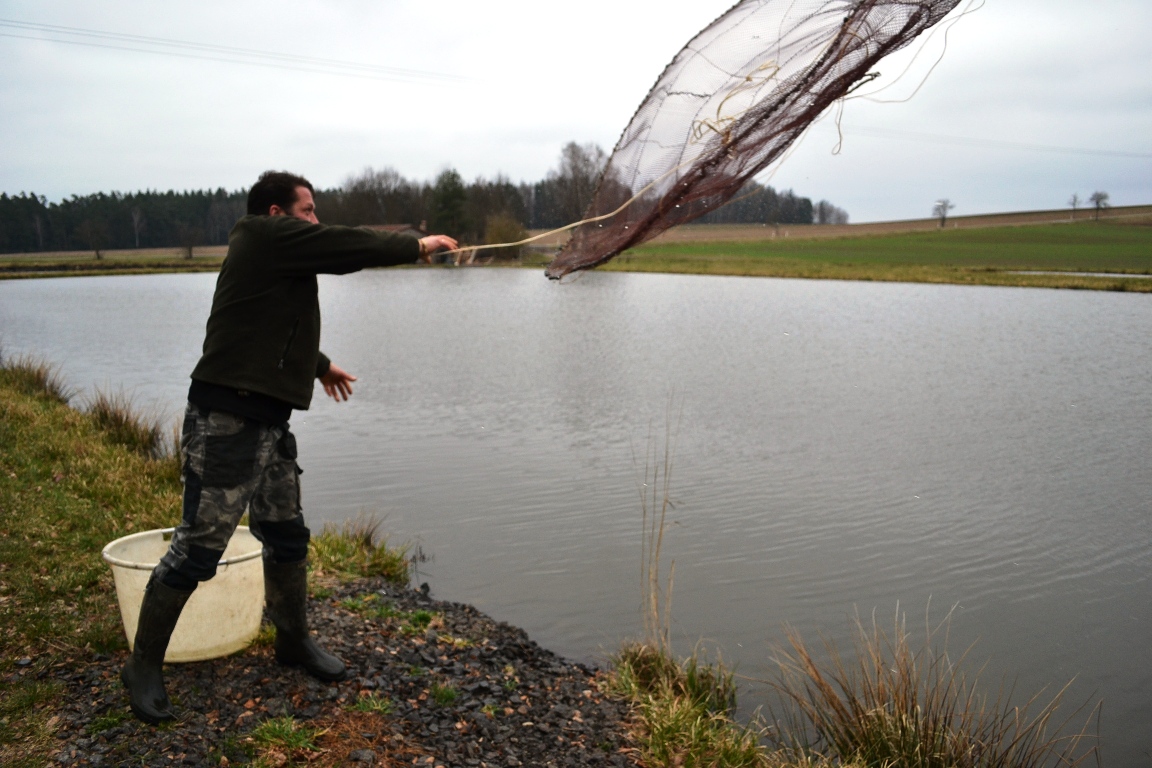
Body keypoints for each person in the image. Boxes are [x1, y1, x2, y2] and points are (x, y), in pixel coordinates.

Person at [121, 170, 458, 724]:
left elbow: (272, 321)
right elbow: (341, 247)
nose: (316, 220)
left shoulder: (277, 257)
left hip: (270, 421)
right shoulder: (258, 236)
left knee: (286, 535)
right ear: (276, 214)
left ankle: (293, 641)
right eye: (307, 211)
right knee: (198, 548)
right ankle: (143, 665)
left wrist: (320, 366)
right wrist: (415, 246)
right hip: (226, 420)